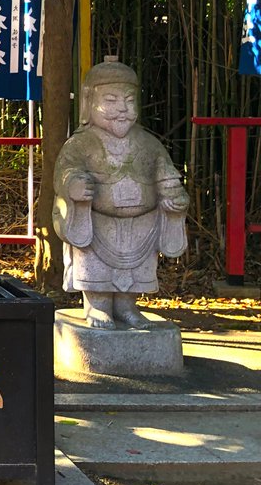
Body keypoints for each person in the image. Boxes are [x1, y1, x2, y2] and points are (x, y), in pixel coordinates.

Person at [53, 60, 188, 329]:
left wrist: (174, 196)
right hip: (97, 224)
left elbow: (166, 174)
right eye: (111, 100)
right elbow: (65, 173)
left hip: (142, 224)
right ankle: (97, 305)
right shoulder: (80, 144)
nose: (123, 109)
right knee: (96, 268)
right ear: (89, 101)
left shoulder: (149, 144)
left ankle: (127, 307)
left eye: (129, 100)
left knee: (134, 275)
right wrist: (74, 186)